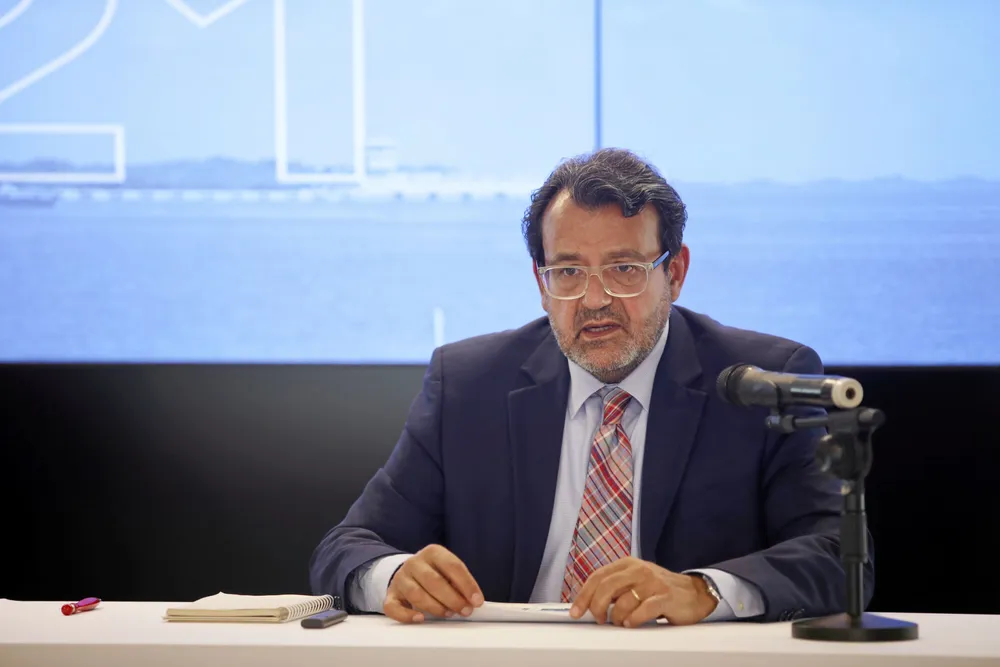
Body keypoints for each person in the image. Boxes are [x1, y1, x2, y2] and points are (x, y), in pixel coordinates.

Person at [309, 148, 873, 627]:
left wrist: (703, 591)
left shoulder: (758, 383)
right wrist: (395, 576)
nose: (595, 299)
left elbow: (838, 557)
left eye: (624, 268)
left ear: (675, 273)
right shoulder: (468, 384)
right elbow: (347, 547)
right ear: (541, 283)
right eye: (569, 272)